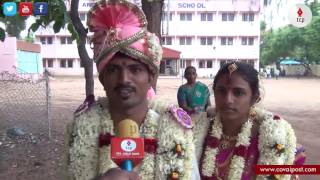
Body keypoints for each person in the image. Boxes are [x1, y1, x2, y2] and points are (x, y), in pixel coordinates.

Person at [64, 1, 196, 179]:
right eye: (113, 70)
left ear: (151, 77)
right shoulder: (79, 127)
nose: (124, 79)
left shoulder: (176, 128)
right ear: (102, 78)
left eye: (135, 70)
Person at [193, 62, 305, 179]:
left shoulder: (274, 141)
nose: (228, 100)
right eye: (221, 91)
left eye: (238, 92)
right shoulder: (197, 133)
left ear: (254, 98)